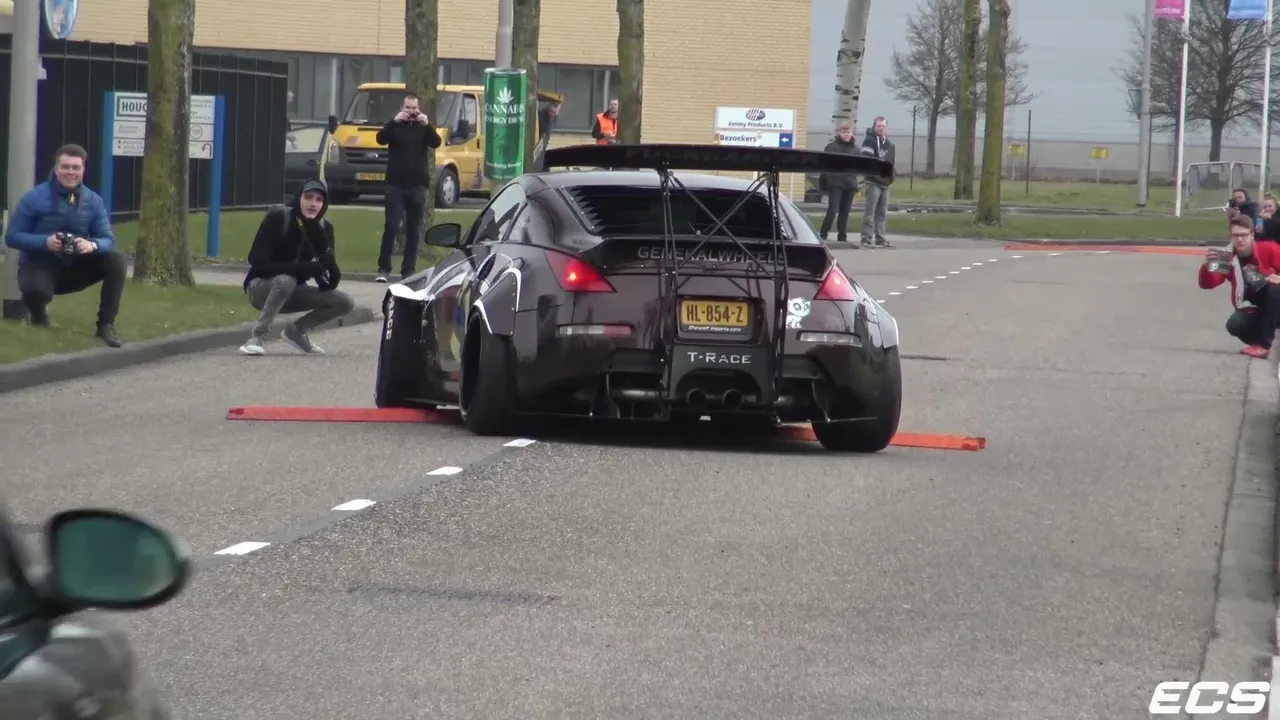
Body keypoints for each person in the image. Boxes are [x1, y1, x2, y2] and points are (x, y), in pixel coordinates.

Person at [4, 143, 127, 347]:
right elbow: (12, 236)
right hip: (40, 265)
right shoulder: (34, 198)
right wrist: (45, 242)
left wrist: (92, 245)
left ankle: (106, 325)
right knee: (36, 292)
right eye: (65, 167)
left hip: (75, 266)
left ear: (83, 169)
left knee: (117, 260)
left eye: (76, 167)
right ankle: (38, 313)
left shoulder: (93, 201)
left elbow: (108, 239)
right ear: (56, 169)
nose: (70, 172)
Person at [238, 179, 355, 356]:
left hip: (293, 292)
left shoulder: (324, 228)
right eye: (308, 197)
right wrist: (304, 269)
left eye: (319, 200)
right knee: (286, 280)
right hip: (261, 288)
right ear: (299, 198)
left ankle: (297, 331)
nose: (313, 204)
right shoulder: (279, 218)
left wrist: (329, 271)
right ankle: (257, 337)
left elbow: (324, 267)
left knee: (344, 302)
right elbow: (257, 262)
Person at [373, 93, 442, 283]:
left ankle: (408, 270)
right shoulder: (395, 126)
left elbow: (436, 142)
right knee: (391, 226)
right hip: (395, 185)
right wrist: (393, 122)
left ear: (419, 109)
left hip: (418, 185)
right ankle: (384, 268)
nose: (411, 112)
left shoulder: (423, 128)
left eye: (414, 108)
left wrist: (427, 125)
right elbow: (380, 139)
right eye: (408, 108)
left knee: (414, 229)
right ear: (401, 108)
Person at [1199, 213, 1280, 358]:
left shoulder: (1268, 248)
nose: (1240, 239)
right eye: (1236, 235)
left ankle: (1264, 345)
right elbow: (1208, 284)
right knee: (1234, 324)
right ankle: (1266, 343)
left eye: (1244, 235)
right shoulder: (1227, 256)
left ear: (1252, 234)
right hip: (1253, 306)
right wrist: (1207, 266)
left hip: (1274, 301)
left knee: (1275, 288)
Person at [817, 121, 861, 244]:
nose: (846, 134)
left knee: (845, 212)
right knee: (833, 209)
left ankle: (842, 236)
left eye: (848, 132)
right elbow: (825, 164)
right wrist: (827, 181)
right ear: (839, 133)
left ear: (852, 133)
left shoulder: (856, 149)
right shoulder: (832, 147)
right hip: (835, 182)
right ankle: (823, 233)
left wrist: (856, 183)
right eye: (843, 132)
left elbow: (859, 166)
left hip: (850, 183)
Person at [859, 116, 895, 249]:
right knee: (870, 212)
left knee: (882, 212)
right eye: (879, 126)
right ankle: (866, 238)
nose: (881, 128)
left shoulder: (888, 144)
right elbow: (867, 160)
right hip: (873, 181)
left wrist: (891, 176)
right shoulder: (869, 141)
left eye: (884, 126)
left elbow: (890, 162)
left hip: (885, 182)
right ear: (874, 126)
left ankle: (880, 237)